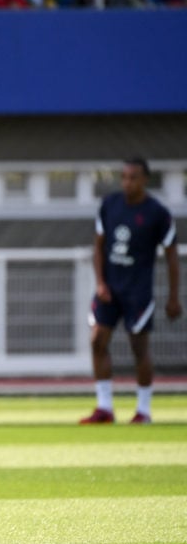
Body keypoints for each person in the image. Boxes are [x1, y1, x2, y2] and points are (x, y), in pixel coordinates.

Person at [81, 157, 181, 425]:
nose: (127, 182)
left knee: (138, 347)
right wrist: (100, 282)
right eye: (124, 177)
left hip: (137, 290)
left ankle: (143, 410)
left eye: (133, 177)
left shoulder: (157, 213)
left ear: (145, 179)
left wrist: (174, 297)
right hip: (110, 288)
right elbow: (98, 246)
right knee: (97, 340)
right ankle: (104, 407)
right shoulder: (110, 205)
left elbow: (171, 256)